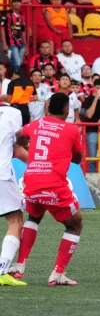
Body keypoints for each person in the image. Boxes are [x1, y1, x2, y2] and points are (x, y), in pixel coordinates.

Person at [8, 93, 83, 286]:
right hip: (54, 185)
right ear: (67, 110)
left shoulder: (38, 124)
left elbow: (18, 135)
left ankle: (19, 265)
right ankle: (57, 274)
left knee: (33, 218)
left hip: (31, 182)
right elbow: (77, 158)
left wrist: (26, 145)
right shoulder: (72, 129)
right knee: (74, 225)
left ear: (48, 108)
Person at [0, 103, 27, 286]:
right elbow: (19, 148)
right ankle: (2, 271)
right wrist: (38, 163)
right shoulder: (13, 112)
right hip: (1, 174)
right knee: (16, 220)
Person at [1, 0, 27, 73]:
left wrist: (26, 45)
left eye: (18, 2)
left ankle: (11, 78)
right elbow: (1, 28)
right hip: (11, 43)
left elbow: (23, 31)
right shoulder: (6, 14)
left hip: (21, 44)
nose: (16, 3)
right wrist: (4, 44)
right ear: (11, 3)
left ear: (21, 3)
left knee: (16, 64)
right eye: (14, 2)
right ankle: (17, 79)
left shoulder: (22, 15)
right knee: (17, 63)